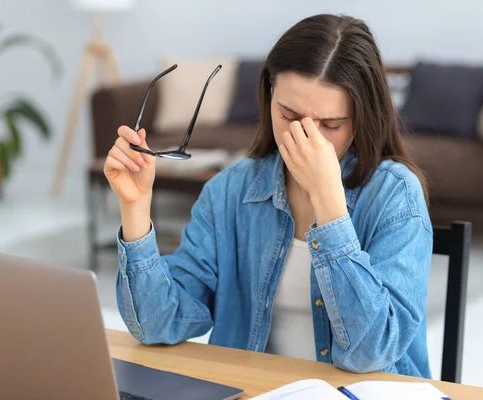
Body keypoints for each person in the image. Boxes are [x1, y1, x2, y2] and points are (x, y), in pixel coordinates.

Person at [104, 13, 433, 378]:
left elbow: (372, 351)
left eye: (330, 124)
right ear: (269, 94)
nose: (307, 137)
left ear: (362, 118)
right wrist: (135, 209)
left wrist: (329, 205)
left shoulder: (395, 195)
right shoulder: (229, 192)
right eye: (289, 115)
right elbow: (158, 324)